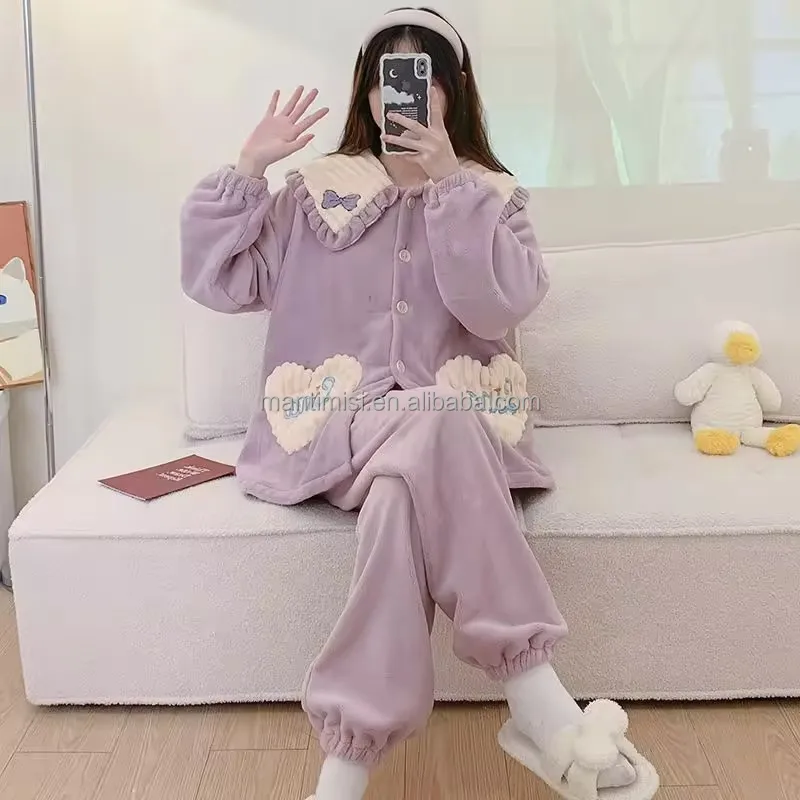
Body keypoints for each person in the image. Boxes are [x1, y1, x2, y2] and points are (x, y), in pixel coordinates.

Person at [180, 7, 659, 800]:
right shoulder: (314, 197)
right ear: (366, 91)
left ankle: (344, 770)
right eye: (387, 77)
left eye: (422, 76)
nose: (401, 95)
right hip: (335, 426)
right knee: (436, 423)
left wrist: (452, 188)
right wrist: (248, 168)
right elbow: (217, 281)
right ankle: (539, 704)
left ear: (452, 89)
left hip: (452, 436)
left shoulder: (492, 199)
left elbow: (494, 309)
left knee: (404, 491)